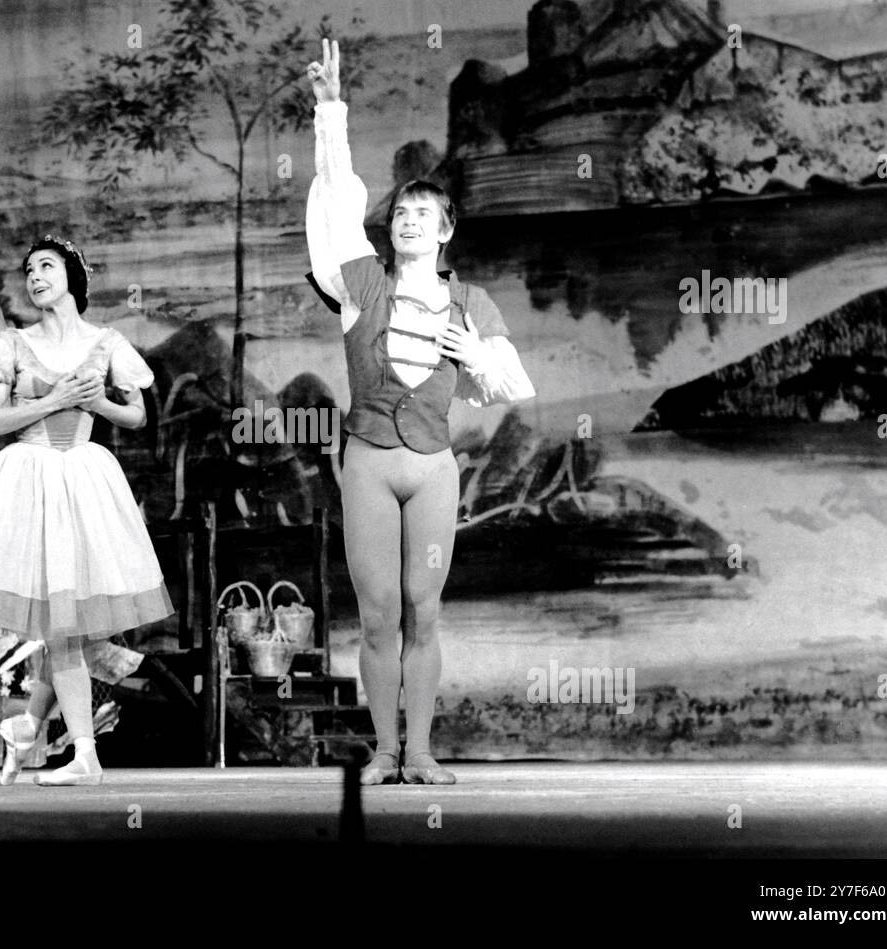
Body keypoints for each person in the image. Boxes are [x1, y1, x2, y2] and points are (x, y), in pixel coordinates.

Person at [304, 40, 535, 785]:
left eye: (422, 212)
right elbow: (337, 197)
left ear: (445, 231)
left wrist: (470, 349)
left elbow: (507, 384)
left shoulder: (471, 303)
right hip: (368, 463)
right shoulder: (358, 283)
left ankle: (424, 750)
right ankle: (384, 750)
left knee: (424, 610)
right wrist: (330, 112)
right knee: (376, 615)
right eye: (400, 211)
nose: (407, 219)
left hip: (432, 468)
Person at [0, 235, 173, 786]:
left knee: (71, 627)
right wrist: (50, 402)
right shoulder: (9, 345)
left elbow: (137, 416)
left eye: (47, 267)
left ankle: (29, 727)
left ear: (72, 278)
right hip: (29, 481)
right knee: (66, 629)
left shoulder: (107, 343)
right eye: (29, 269)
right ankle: (85, 754)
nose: (35, 277)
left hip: (83, 482)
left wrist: (94, 402)